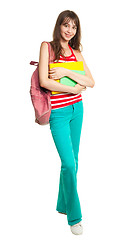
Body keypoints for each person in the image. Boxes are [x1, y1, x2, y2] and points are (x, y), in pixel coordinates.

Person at [38, 10, 95, 235]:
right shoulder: (47, 47)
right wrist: (71, 85)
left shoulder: (77, 52)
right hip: (59, 113)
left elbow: (91, 81)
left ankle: (62, 204)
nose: (69, 30)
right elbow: (45, 81)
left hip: (77, 109)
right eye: (66, 25)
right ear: (59, 26)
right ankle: (75, 216)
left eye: (73, 27)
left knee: (74, 161)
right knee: (69, 164)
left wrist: (64, 71)